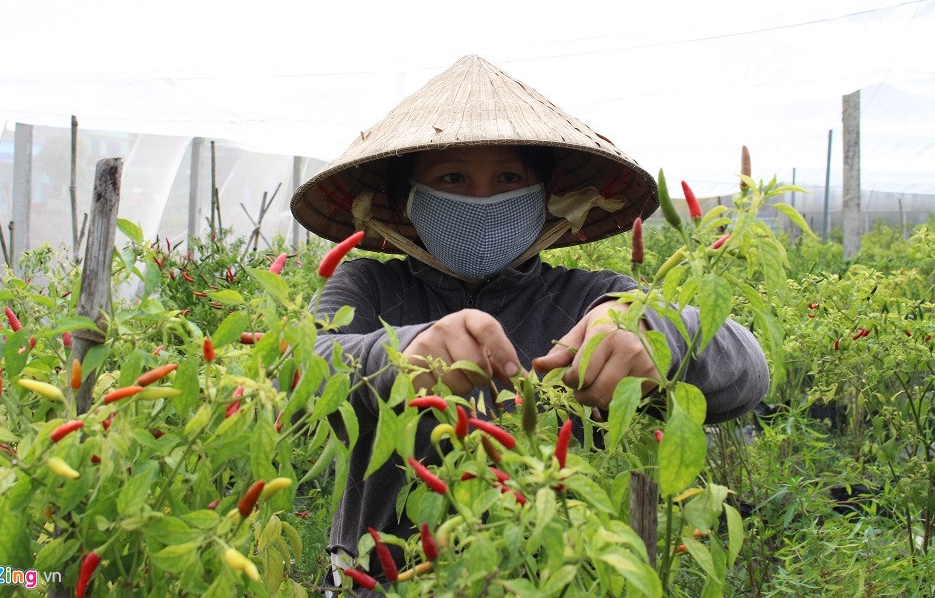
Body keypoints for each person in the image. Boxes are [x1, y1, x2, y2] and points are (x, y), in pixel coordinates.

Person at [290, 54, 770, 594]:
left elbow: (747, 371)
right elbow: (301, 373)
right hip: (385, 579)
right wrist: (401, 355)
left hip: (555, 576)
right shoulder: (370, 287)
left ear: (544, 199)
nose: (483, 198)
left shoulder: (588, 299)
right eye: (452, 178)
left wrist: (656, 333)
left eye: (509, 178)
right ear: (408, 201)